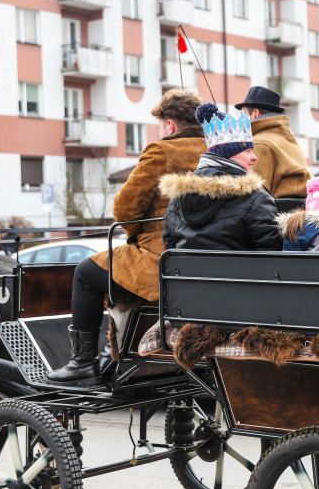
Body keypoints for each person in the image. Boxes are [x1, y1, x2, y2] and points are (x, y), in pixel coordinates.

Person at [48, 89, 207, 384]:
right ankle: (118, 351)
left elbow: (125, 207)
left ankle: (83, 362)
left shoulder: (162, 150)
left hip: (163, 257)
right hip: (205, 260)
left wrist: (135, 237)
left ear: (170, 125)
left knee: (85, 273)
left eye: (160, 124)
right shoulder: (217, 150)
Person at [160, 102, 281, 251]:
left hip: (186, 274)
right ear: (229, 155)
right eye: (248, 151)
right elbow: (272, 254)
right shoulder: (256, 198)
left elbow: (170, 247)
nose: (254, 157)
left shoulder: (177, 198)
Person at [235, 86, 310, 198]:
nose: (240, 120)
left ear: (256, 113)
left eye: (243, 115)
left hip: (276, 212)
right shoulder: (287, 138)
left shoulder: (259, 143)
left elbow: (254, 197)